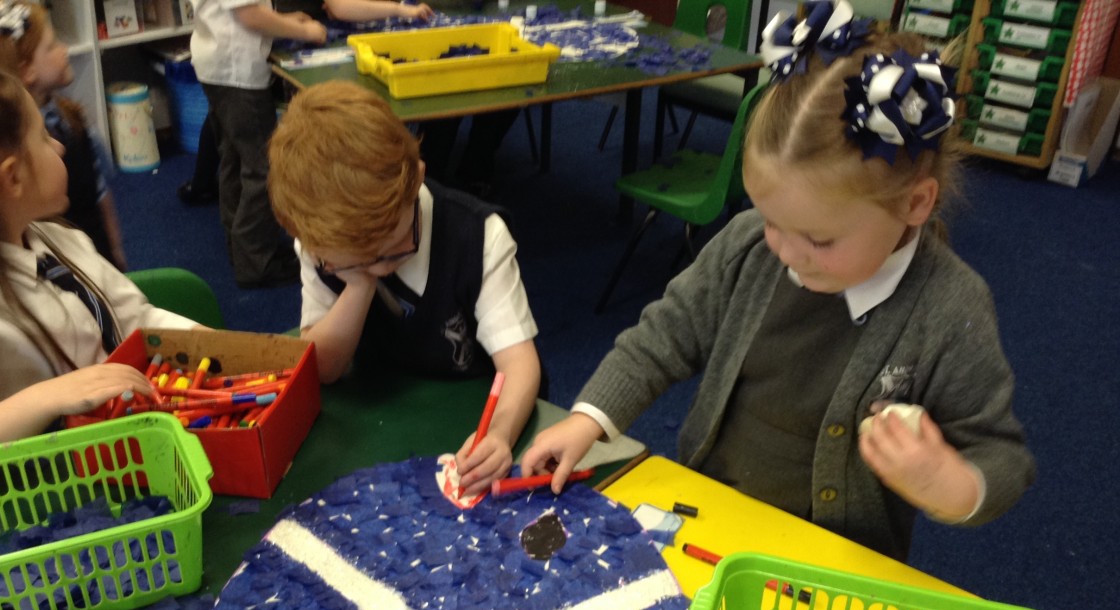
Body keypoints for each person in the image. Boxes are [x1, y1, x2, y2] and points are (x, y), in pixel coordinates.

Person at [520, 1, 1035, 561]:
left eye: (818, 240)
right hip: (716, 516)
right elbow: (662, 337)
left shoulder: (950, 308)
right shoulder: (748, 247)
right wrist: (589, 418)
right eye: (770, 221)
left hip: (835, 562)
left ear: (915, 204)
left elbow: (1000, 455)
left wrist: (950, 485)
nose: (785, 251)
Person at [267, 80, 542, 498]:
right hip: (383, 416)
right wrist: (359, 282)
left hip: (475, 414)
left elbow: (520, 364)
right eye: (353, 260)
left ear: (418, 179)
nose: (377, 264)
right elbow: (324, 368)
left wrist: (500, 433)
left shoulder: (478, 236)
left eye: (393, 248)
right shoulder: (322, 241)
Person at [0, 63, 202, 460]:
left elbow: (136, 320)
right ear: (12, 177)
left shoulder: (59, 240)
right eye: (43, 137)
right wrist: (49, 396)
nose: (59, 147)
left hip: (128, 444)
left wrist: (214, 344)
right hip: (55, 481)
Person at [190, 0, 433, 289]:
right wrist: (304, 32)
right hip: (238, 73)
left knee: (235, 159)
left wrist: (285, 20)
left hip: (217, 65)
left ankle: (241, 246)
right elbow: (249, 15)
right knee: (261, 169)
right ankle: (256, 262)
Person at [0, 0, 128, 270]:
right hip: (53, 260)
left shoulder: (71, 117)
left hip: (95, 252)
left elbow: (99, 191)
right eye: (51, 46)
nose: (64, 49)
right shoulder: (12, 148)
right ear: (27, 70)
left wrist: (115, 245)